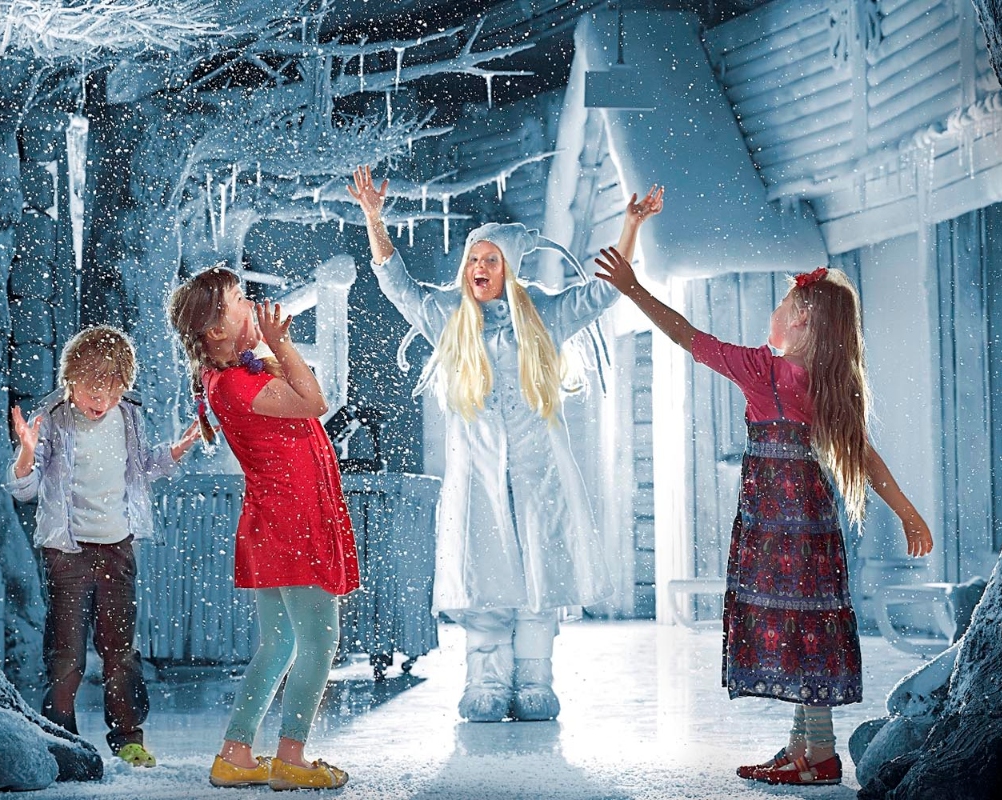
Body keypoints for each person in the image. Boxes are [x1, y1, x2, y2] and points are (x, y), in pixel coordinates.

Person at [594, 249, 934, 786]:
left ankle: (819, 755)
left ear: (801, 319)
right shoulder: (828, 381)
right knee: (810, 627)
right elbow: (865, 458)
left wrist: (634, 290)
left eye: (783, 304)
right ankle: (802, 748)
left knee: (798, 631)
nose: (774, 312)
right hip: (813, 526)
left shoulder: (765, 372)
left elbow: (686, 336)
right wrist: (909, 514)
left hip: (776, 527)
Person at [347, 165, 663, 722]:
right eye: (474, 258)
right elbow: (397, 285)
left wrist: (630, 228)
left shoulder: (542, 314)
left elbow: (601, 294)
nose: (479, 267)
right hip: (478, 476)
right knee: (485, 577)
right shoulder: (448, 315)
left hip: (539, 475)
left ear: (510, 268)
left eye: (491, 259)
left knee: (540, 576)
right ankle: (486, 680)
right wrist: (375, 219)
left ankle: (535, 678)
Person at [168, 267, 359, 791]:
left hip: (278, 518)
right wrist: (281, 344)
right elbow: (315, 403)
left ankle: (235, 753)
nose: (250, 303)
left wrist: (267, 348)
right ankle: (292, 757)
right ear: (215, 329)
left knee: (279, 643)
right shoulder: (234, 382)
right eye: (237, 299)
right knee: (320, 641)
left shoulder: (236, 372)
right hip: (292, 520)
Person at [5, 325, 203, 768]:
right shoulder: (52, 418)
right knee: (66, 655)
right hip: (67, 551)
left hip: (117, 547)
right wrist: (27, 452)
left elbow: (141, 467)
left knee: (120, 651)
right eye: (95, 393)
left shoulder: (128, 414)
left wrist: (177, 450)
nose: (103, 402)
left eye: (113, 393)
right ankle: (61, 739)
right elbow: (25, 489)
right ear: (71, 380)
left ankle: (129, 737)